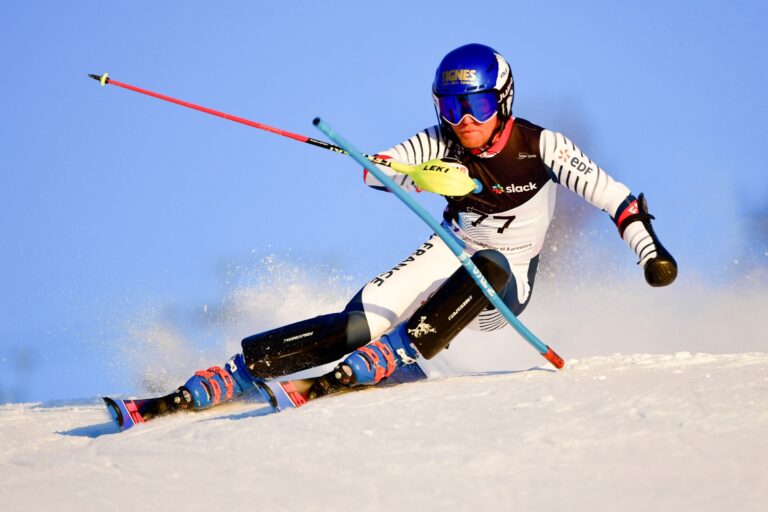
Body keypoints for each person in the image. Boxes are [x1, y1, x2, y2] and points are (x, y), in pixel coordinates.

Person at [171, 43, 678, 411]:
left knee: (489, 267)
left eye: (476, 105)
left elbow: (617, 199)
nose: (464, 121)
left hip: (503, 285)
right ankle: (242, 370)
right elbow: (377, 169)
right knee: (359, 323)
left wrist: (649, 254)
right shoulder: (441, 140)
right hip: (449, 251)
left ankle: (401, 353)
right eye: (451, 107)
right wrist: (416, 174)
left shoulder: (542, 147)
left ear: (501, 102)